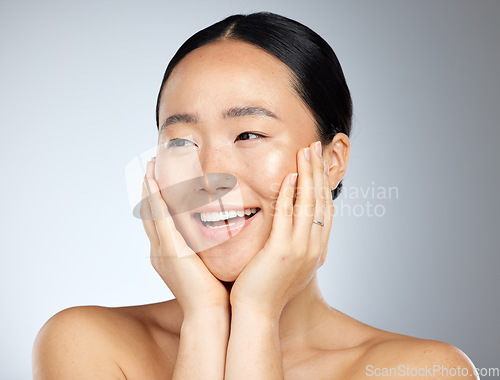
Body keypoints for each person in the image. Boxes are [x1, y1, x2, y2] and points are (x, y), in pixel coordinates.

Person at [32, 12, 478, 379]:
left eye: (247, 134)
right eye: (181, 142)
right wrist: (205, 320)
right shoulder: (86, 345)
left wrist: (256, 315)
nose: (209, 176)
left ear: (332, 160)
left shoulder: (422, 370)